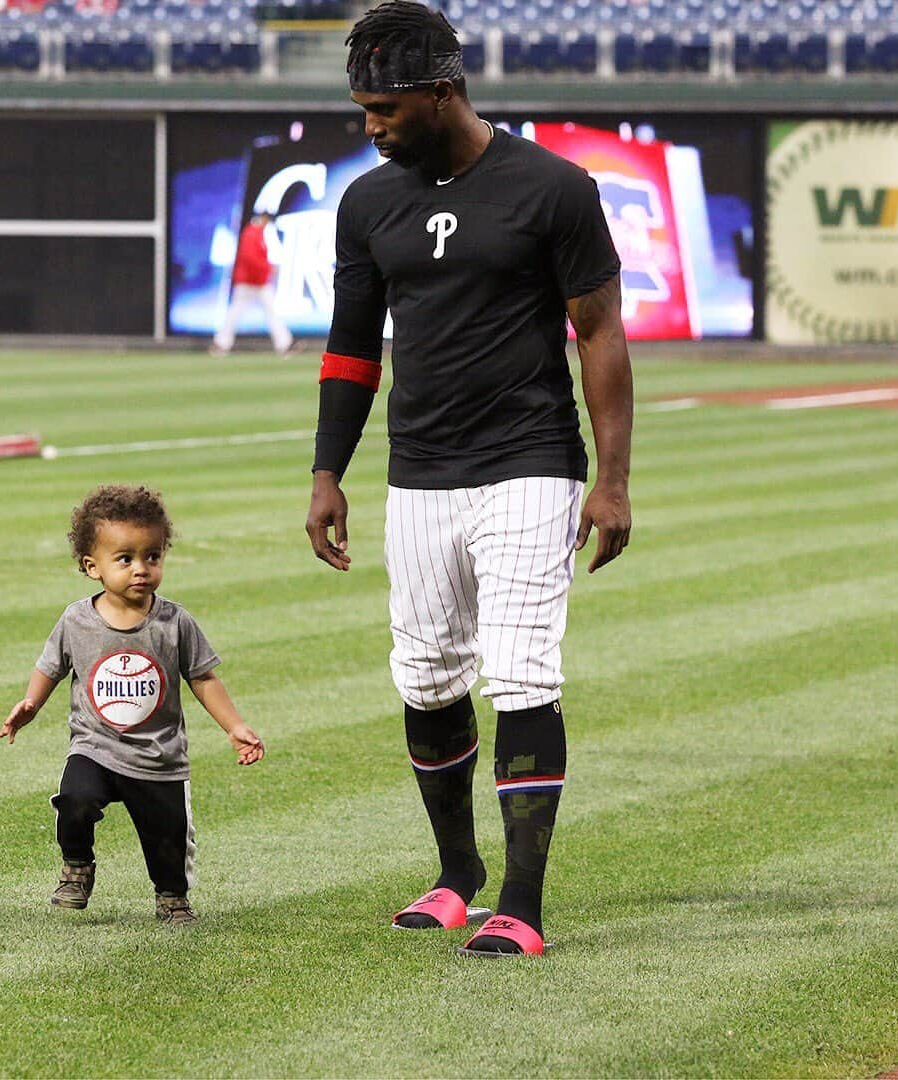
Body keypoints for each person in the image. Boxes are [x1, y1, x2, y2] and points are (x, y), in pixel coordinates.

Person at [305, 0, 633, 957]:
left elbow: (601, 334)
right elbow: (351, 349)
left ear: (443, 92)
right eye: (362, 109)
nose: (370, 127)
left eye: (384, 110)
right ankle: (458, 875)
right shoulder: (368, 203)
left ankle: (522, 906)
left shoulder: (553, 188)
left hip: (530, 463)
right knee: (426, 676)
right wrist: (329, 471)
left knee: (522, 673)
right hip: (421, 473)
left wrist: (611, 483)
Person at [0, 484, 264, 925]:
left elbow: (203, 677)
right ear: (92, 567)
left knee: (168, 838)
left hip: (157, 756)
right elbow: (51, 665)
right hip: (95, 747)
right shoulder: (76, 620)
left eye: (152, 556)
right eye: (125, 559)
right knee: (74, 799)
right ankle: (77, 867)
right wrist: (31, 701)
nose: (141, 568)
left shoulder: (174, 622)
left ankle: (172, 896)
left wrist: (234, 726)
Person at [211, 211, 295, 356]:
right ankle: (221, 344)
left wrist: (266, 269)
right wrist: (268, 268)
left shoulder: (259, 233)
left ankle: (284, 344)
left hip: (258, 281)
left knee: (271, 312)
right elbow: (250, 258)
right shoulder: (252, 233)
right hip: (248, 281)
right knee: (236, 312)